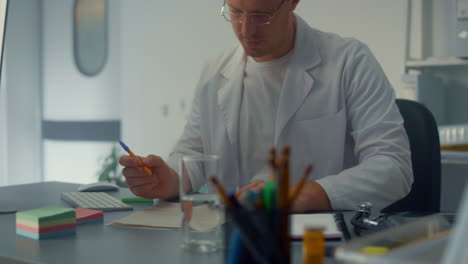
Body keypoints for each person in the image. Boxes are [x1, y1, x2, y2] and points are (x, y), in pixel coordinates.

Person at [119, 0, 413, 212]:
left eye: (261, 15)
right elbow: (196, 154)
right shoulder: (215, 71)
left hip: (318, 237)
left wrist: (300, 196)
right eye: (235, 12)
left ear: (292, 3)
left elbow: (393, 167)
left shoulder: (349, 61)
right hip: (238, 235)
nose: (247, 29)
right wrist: (169, 179)